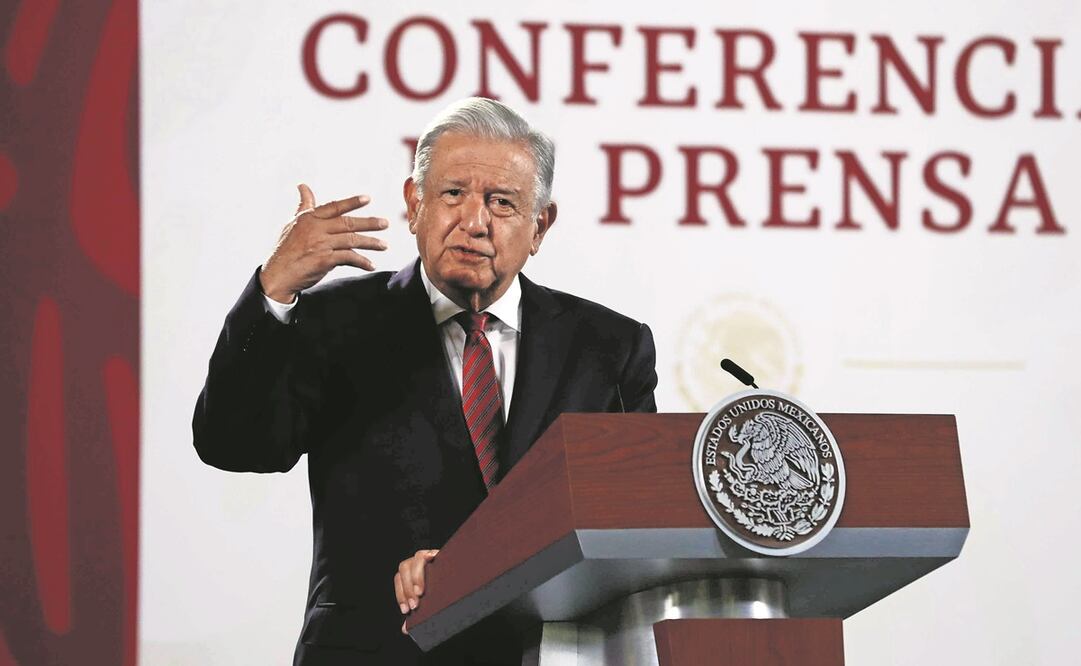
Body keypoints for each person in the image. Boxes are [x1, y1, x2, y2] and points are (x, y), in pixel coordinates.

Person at [192, 97, 657, 665]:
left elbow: (633, 529)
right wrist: (275, 289)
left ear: (541, 226)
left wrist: (477, 568)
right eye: (452, 193)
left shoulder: (607, 347)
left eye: (502, 202)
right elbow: (234, 444)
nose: (474, 221)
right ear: (414, 204)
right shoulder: (334, 321)